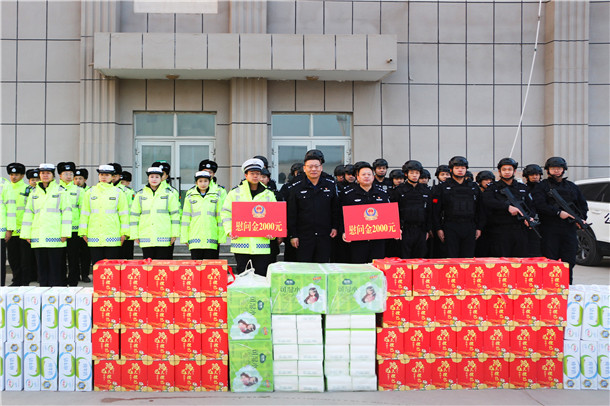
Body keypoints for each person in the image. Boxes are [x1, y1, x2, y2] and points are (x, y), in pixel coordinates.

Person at [532, 157, 588, 284]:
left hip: (569, 229)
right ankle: (548, 287)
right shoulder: (542, 186)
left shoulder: (571, 186)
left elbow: (582, 204)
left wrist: (581, 219)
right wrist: (557, 213)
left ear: (564, 169)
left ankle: (567, 286)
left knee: (569, 260)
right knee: (550, 261)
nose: (556, 171)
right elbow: (539, 204)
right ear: (548, 170)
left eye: (559, 168)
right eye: (553, 168)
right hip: (549, 229)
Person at [221, 159, 277, 276]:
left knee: (261, 276)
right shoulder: (235, 193)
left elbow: (274, 216)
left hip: (261, 244)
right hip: (241, 243)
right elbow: (226, 212)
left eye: (258, 174)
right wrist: (230, 230)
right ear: (246, 175)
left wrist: (272, 232)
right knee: (243, 276)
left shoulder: (268, 194)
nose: (255, 176)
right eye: (252, 173)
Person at [20, 163, 72, 286]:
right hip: (38, 236)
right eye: (42, 173)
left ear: (53, 175)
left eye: (48, 173)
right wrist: (26, 234)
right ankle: (43, 291)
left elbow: (67, 213)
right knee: (42, 269)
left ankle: (56, 291)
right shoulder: (34, 193)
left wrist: (65, 233)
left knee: (55, 269)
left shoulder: (61, 191)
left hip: (55, 236)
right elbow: (28, 214)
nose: (45, 175)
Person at [287, 149, 339, 263]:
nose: (313, 169)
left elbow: (335, 209)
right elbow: (292, 213)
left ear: (321, 168)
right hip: (304, 236)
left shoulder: (330, 185)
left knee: (323, 266)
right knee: (304, 267)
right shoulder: (296, 187)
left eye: (316, 166)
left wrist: (335, 227)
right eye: (310, 167)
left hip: (325, 235)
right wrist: (293, 235)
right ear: (304, 168)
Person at [483, 158, 536, 257]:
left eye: (509, 169)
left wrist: (530, 217)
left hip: (520, 229)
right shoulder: (493, 187)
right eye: (504, 169)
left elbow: (531, 206)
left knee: (520, 260)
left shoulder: (522, 188)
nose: (507, 172)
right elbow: (487, 201)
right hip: (500, 230)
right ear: (499, 171)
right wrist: (507, 207)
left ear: (514, 171)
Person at [432, 156, 484, 258]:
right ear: (451, 170)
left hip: (470, 226)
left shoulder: (473, 187)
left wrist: (479, 227)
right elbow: (436, 210)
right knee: (451, 257)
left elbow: (480, 209)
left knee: (468, 258)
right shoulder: (443, 187)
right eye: (457, 168)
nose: (460, 170)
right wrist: (438, 228)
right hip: (450, 226)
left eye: (463, 168)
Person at [339, 161, 390, 263]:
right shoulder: (348, 195)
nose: (366, 177)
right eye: (363, 174)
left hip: (377, 239)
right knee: (359, 265)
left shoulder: (382, 194)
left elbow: (388, 214)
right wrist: (343, 231)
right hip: (357, 239)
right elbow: (341, 215)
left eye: (369, 174)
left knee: (376, 265)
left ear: (373, 177)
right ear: (357, 177)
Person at [79, 165, 129, 265]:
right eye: (101, 174)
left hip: (113, 235)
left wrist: (124, 233)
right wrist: (83, 232)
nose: (104, 177)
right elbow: (85, 213)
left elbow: (124, 214)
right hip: (94, 235)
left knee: (111, 267)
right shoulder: (90, 192)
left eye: (107, 175)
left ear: (112, 177)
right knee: (97, 266)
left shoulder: (118, 192)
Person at [130, 167, 180, 260]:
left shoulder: (169, 194)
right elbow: (134, 216)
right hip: (146, 236)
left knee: (162, 265)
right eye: (152, 176)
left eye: (157, 177)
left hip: (164, 236)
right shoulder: (140, 195)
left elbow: (175, 215)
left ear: (161, 179)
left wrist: (174, 234)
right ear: (148, 178)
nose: (154, 179)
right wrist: (134, 234)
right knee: (148, 265)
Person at [391, 160, 432, 259]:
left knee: (420, 258)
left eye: (417, 173)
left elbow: (429, 211)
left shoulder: (425, 190)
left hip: (421, 229)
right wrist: (396, 229)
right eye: (412, 173)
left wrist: (427, 230)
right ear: (406, 174)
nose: (414, 175)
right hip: (405, 229)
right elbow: (394, 211)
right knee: (404, 258)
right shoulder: (399, 190)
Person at [181, 170, 224, 260]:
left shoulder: (216, 197)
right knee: (197, 266)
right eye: (200, 181)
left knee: (210, 266)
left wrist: (221, 238)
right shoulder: (190, 197)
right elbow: (185, 219)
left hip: (211, 237)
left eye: (205, 181)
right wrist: (184, 237)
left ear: (209, 182)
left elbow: (220, 219)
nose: (203, 184)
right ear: (196, 182)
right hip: (195, 238)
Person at [57, 161, 87, 286]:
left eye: (71, 174)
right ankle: (60, 280)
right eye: (66, 174)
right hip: (58, 230)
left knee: (73, 257)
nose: (69, 176)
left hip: (74, 230)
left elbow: (83, 211)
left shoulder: (79, 191)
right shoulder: (55, 190)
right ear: (60, 176)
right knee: (59, 257)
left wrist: (82, 229)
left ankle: (73, 280)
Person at [5, 164, 26, 286]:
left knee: (25, 259)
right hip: (11, 230)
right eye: (11, 175)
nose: (13, 177)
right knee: (13, 258)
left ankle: (25, 281)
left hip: (24, 230)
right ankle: (16, 280)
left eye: (16, 175)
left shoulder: (27, 189)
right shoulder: (6, 188)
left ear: (22, 176)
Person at [110, 163, 135, 259]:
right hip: (108, 231)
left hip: (125, 231)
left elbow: (132, 213)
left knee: (126, 259)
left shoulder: (128, 192)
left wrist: (129, 231)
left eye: (115, 175)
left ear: (119, 176)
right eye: (110, 175)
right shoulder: (97, 191)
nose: (112, 178)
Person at [522, 164, 544, 256]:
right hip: (529, 223)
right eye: (532, 175)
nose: (535, 177)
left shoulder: (545, 188)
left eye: (537, 175)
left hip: (545, 223)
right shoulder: (523, 189)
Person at [474, 170, 495, 257]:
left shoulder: (494, 193)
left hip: (492, 225)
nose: (488, 182)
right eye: (486, 180)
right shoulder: (476, 193)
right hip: (479, 225)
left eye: (490, 180)